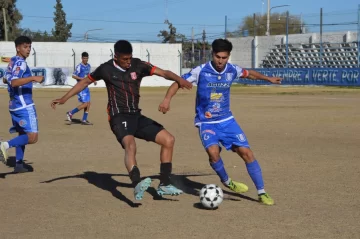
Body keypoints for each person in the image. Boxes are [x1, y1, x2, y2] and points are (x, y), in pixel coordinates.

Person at [50, 40, 193, 201]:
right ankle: (137, 182)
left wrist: (179, 79)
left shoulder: (138, 65)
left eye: (130, 58)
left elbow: (164, 73)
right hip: (118, 117)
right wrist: (64, 98)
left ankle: (164, 184)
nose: (128, 62)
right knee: (130, 145)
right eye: (125, 59)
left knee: (168, 140)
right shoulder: (106, 69)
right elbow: (84, 82)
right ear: (116, 57)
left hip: (136, 116)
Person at [158, 38, 282, 205]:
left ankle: (262, 192)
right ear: (212, 54)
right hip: (206, 122)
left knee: (247, 153)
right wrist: (167, 100)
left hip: (227, 120)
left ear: (228, 56)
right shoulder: (200, 71)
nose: (220, 61)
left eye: (224, 57)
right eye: (218, 57)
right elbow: (178, 83)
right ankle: (227, 181)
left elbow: (249, 73)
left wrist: (268, 79)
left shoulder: (232, 70)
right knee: (213, 154)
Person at [0, 36, 44, 173]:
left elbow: (6, 79)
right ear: (18, 48)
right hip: (24, 105)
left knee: (22, 134)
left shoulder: (12, 62)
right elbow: (14, 82)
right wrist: (33, 78)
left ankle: (18, 164)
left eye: (30, 47)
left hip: (14, 105)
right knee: (32, 137)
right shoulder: (21, 63)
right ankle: (4, 145)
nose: (28, 50)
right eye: (25, 47)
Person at [66, 52, 95, 125]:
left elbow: (88, 74)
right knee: (85, 104)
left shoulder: (88, 66)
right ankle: (70, 113)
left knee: (88, 104)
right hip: (80, 87)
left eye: (86, 58)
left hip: (86, 87)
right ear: (82, 58)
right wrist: (81, 79)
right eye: (84, 58)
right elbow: (73, 75)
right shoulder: (79, 66)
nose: (85, 59)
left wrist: (93, 80)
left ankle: (84, 120)